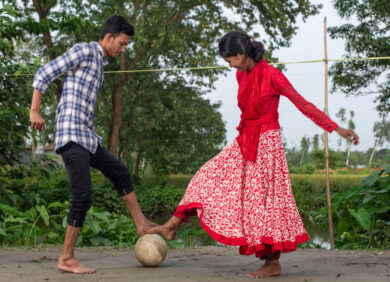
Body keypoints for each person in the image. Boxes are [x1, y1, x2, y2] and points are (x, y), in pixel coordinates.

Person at [152, 31, 359, 278]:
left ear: (240, 55)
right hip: (246, 139)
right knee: (206, 176)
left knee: (264, 206)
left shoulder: (273, 76)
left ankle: (272, 263)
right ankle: (172, 225)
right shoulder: (241, 74)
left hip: (267, 145)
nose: (228, 65)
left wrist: (336, 128)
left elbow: (303, 105)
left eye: (229, 59)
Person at [30, 15, 156, 274]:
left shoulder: (99, 63)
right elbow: (45, 72)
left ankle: (141, 224)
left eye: (125, 46)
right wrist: (35, 110)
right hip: (71, 136)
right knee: (83, 195)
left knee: (119, 171)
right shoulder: (85, 50)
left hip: (87, 137)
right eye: (121, 44)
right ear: (108, 37)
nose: (122, 50)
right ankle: (66, 258)